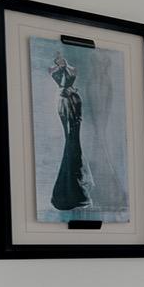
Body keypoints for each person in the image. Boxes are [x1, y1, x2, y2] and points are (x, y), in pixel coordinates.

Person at [48, 50, 90, 212]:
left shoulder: (70, 70)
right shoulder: (56, 73)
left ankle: (76, 188)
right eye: (58, 60)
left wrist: (65, 66)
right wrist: (60, 67)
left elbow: (73, 72)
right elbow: (56, 75)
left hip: (73, 100)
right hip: (64, 102)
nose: (61, 62)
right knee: (71, 141)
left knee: (74, 140)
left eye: (62, 60)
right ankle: (71, 190)